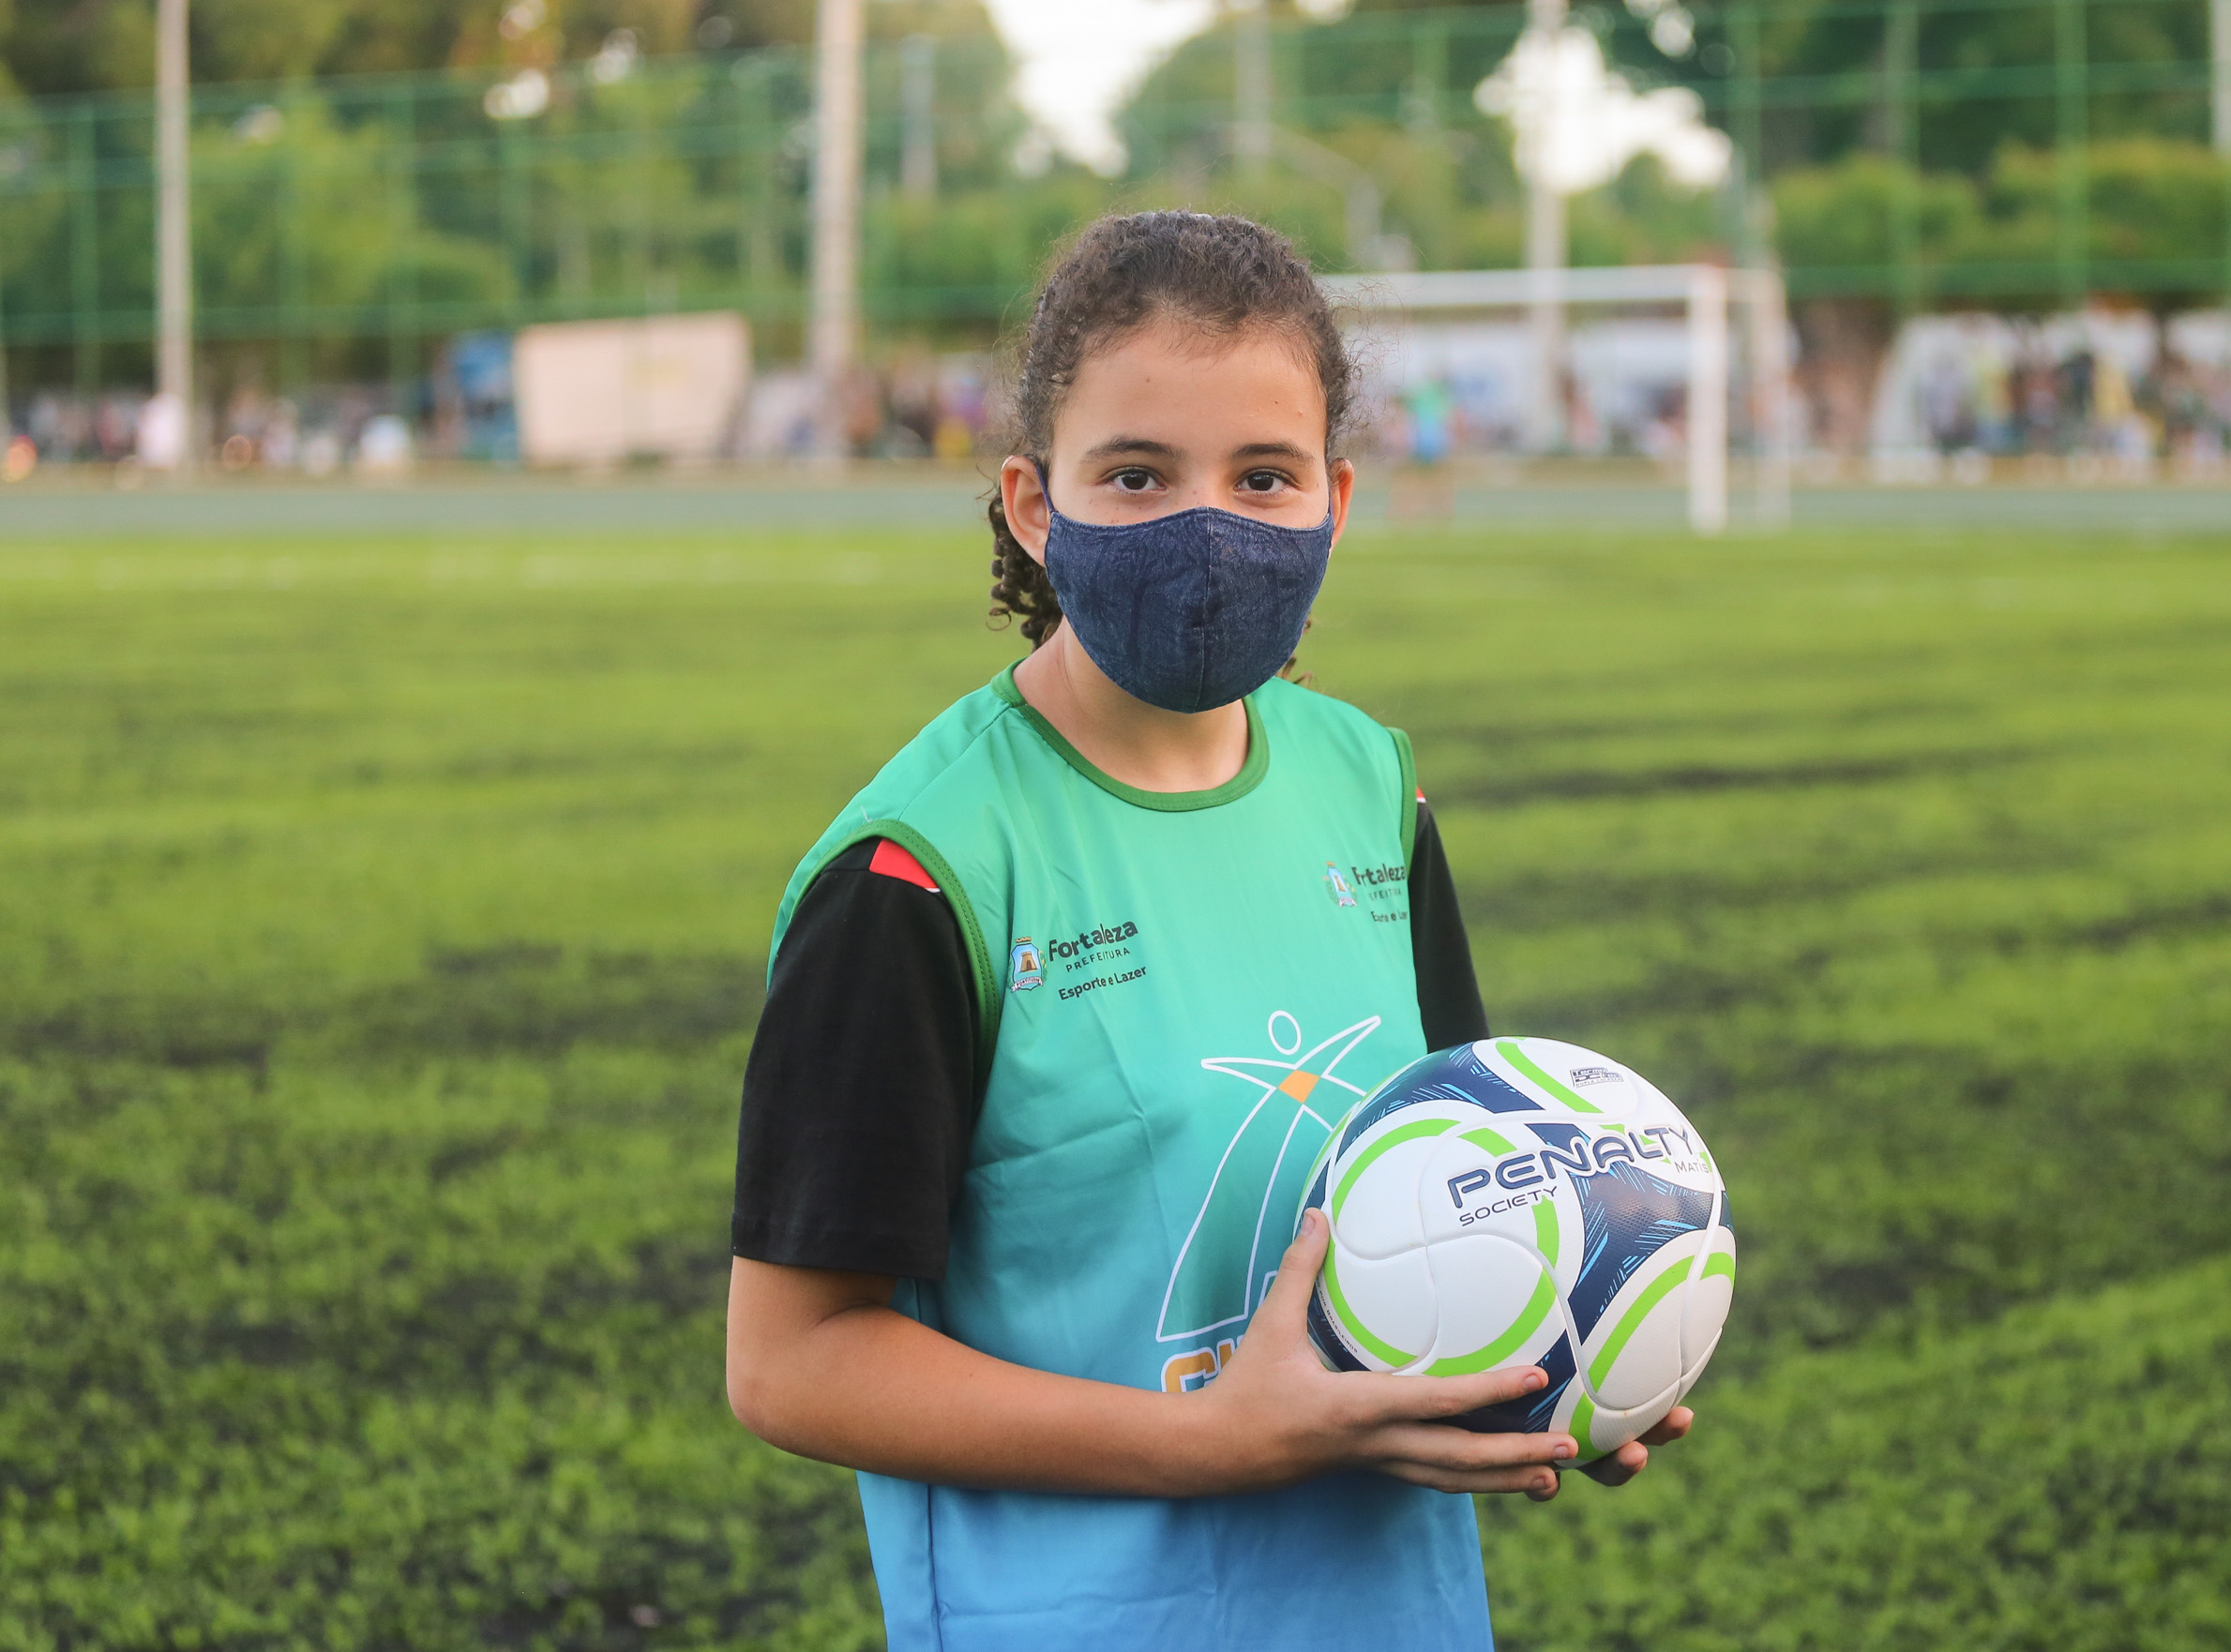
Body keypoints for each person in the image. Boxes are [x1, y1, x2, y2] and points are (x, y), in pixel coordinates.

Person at [723, 211, 1691, 1651]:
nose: (1208, 524)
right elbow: (791, 1363)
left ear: (1337, 499)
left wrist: (1559, 1350)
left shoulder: (1371, 784)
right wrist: (1205, 1441)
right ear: (1032, 504)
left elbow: (1468, 1175)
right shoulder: (917, 869)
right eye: (1135, 474)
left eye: (1262, 475)